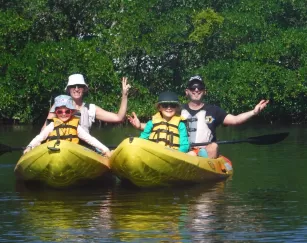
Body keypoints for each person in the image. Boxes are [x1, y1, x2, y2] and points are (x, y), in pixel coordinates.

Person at [128, 75, 269, 159]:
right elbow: (160, 125)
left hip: (204, 151)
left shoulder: (214, 110)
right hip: (182, 150)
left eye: (200, 88)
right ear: (187, 91)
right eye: (193, 87)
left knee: (213, 146)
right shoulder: (176, 109)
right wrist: (139, 125)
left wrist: (253, 112)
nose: (196, 90)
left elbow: (235, 120)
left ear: (204, 92)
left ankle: (205, 174)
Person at [24, 95, 111, 158]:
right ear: (56, 113)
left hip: (71, 154)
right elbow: (40, 137)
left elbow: (89, 139)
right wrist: (29, 146)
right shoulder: (52, 125)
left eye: (67, 111)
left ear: (72, 112)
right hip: (52, 153)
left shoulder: (76, 126)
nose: (64, 114)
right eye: (60, 112)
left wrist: (105, 149)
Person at [43, 74, 131, 133]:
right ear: (68, 89)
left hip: (83, 147)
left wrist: (124, 95)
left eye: (79, 86)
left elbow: (119, 117)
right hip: (61, 145)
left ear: (84, 89)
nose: (76, 89)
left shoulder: (91, 109)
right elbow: (44, 129)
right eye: (73, 86)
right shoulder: (58, 106)